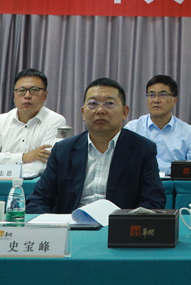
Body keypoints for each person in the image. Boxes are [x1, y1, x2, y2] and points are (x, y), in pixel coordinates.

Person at [27, 77, 164, 213]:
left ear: (124, 112)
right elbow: (38, 200)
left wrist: (127, 222)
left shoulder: (143, 149)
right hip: (71, 223)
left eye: (109, 103)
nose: (100, 110)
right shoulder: (63, 150)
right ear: (83, 113)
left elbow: (153, 200)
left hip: (119, 224)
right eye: (93, 104)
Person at [0, 68, 67, 179]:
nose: (27, 95)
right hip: (0, 184)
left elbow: (44, 164)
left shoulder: (55, 121)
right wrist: (24, 157)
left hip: (38, 186)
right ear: (14, 95)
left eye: (34, 90)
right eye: (21, 90)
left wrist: (1, 166)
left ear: (45, 95)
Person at [124, 74, 191, 175]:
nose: (156, 100)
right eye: (151, 95)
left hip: (175, 182)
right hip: (140, 182)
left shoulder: (188, 133)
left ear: (174, 100)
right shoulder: (132, 129)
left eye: (162, 95)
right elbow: (122, 161)